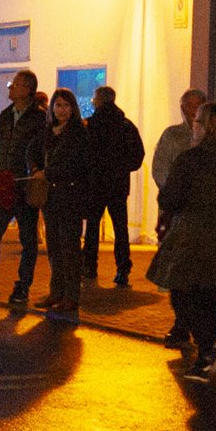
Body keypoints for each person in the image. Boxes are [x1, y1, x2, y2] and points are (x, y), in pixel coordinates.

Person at [150, 100, 216, 375]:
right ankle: (211, 351)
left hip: (195, 234)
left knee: (183, 293)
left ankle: (208, 347)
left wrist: (166, 205)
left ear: (204, 126)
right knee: (213, 296)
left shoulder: (191, 159)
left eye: (197, 122)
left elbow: (172, 196)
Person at [0, 69, 49, 309]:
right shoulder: (5, 116)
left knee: (28, 239)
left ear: (27, 89)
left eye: (15, 85)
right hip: (2, 185)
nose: (10, 88)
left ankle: (23, 287)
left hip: (24, 186)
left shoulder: (38, 118)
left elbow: (42, 149)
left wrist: (35, 172)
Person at [38, 88, 95, 318]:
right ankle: (56, 292)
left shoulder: (78, 133)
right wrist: (36, 168)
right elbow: (34, 150)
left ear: (73, 108)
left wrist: (48, 172)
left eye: (66, 105)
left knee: (69, 247)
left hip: (70, 195)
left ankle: (71, 296)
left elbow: (75, 165)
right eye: (58, 105)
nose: (61, 110)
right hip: (51, 197)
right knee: (53, 245)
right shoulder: (48, 132)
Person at [81, 84, 145, 289]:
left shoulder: (90, 125)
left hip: (95, 183)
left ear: (99, 101)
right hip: (118, 184)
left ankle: (89, 266)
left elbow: (82, 155)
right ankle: (123, 269)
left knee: (92, 227)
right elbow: (138, 155)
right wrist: (122, 168)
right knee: (120, 228)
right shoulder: (126, 125)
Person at [151, 89, 204, 204]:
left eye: (198, 106)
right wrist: (176, 195)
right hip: (175, 207)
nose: (194, 111)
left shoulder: (211, 137)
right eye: (189, 106)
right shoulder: (172, 135)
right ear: (183, 109)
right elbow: (160, 170)